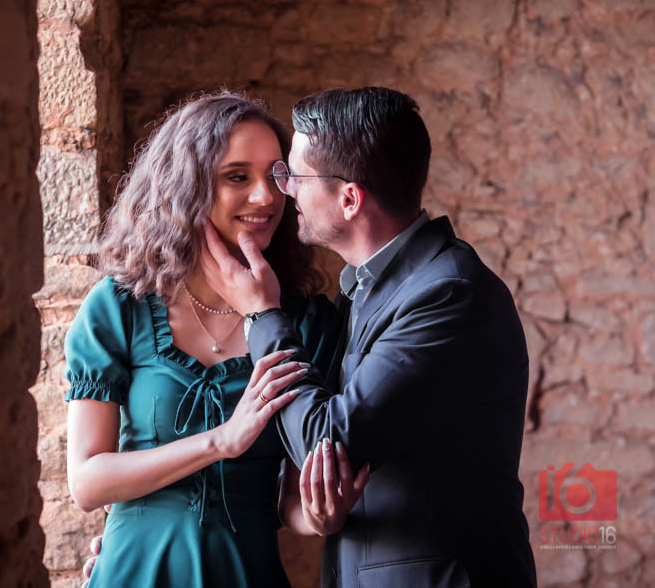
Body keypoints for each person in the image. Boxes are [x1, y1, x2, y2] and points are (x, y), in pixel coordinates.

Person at [201, 86, 537, 587]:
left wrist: (261, 313)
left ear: (350, 199)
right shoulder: (365, 289)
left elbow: (323, 441)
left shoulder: (448, 294)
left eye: (294, 176)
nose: (283, 191)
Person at [64, 91, 369, 588]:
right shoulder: (119, 307)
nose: (266, 197)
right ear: (187, 187)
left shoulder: (307, 324)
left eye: (275, 175)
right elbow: (87, 483)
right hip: (133, 573)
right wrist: (221, 441)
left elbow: (292, 505)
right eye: (237, 177)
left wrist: (321, 516)